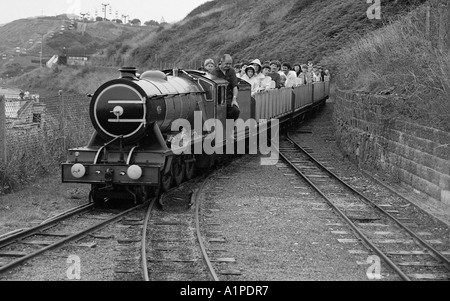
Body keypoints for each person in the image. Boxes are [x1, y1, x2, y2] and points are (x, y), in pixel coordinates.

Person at [212, 54, 240, 121]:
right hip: (217, 98)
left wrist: (234, 99)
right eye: (226, 63)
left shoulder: (231, 71)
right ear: (221, 62)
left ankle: (229, 128)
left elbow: (235, 85)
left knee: (235, 110)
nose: (228, 65)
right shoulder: (214, 72)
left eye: (230, 64)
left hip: (228, 97)